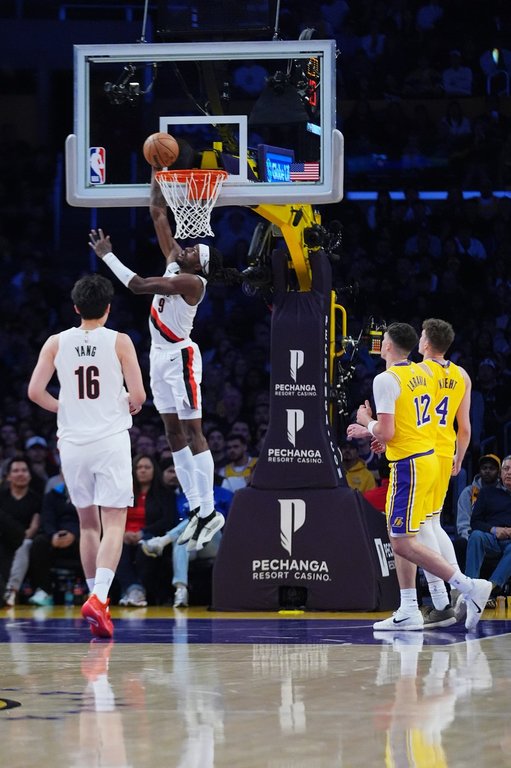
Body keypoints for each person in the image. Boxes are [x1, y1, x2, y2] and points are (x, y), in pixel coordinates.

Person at [88, 174, 237, 552]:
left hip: (182, 355)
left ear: (199, 267)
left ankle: (209, 511)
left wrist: (107, 256)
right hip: (158, 356)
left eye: (191, 252)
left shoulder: (193, 285)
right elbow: (158, 215)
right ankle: (197, 510)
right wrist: (159, 175)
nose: (184, 248)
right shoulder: (176, 263)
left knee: (193, 432)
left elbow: (137, 286)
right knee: (171, 434)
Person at [347, 322, 492, 633]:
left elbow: (391, 427)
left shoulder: (395, 377)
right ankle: (413, 606)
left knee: (409, 536)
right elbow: (441, 424)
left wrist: (368, 423)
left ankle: (457, 590)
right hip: (431, 452)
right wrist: (386, 437)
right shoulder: (429, 373)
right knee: (413, 529)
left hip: (415, 459)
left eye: (382, 340)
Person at [27, 274, 146, 638]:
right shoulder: (120, 341)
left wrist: (66, 407)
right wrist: (128, 401)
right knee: (113, 522)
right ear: (108, 309)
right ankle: (99, 596)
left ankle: (99, 603)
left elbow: (35, 391)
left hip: (73, 443)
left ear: (76, 308)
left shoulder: (55, 342)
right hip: (109, 439)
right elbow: (139, 397)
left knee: (87, 524)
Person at [415, 318, 472, 628]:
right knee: (434, 521)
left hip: (421, 451)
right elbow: (464, 427)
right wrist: (459, 459)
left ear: (426, 343)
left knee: (421, 525)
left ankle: (448, 591)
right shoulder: (461, 375)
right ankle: (457, 587)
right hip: (445, 451)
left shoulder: (418, 372)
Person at [141, 457, 233, 608]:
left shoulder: (224, 494)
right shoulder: (180, 497)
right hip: (191, 545)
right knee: (182, 540)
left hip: (215, 544)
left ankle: (162, 541)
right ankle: (181, 590)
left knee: (208, 515)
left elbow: (233, 524)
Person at [116, 453, 175, 607]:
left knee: (144, 549)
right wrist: (122, 533)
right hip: (123, 536)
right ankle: (134, 590)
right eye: (139, 467)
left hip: (150, 536)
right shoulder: (123, 493)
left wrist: (143, 532)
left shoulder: (165, 494)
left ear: (154, 470)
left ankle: (132, 591)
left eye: (147, 467)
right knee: (116, 549)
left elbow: (169, 520)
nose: (142, 470)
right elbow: (113, 518)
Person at [27, 481, 83, 607]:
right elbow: (47, 519)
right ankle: (44, 591)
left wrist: (74, 535)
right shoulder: (52, 495)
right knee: (39, 542)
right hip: (56, 537)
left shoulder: (91, 494)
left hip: (81, 536)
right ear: (61, 473)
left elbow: (93, 521)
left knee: (94, 540)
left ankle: (92, 590)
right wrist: (53, 535)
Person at [464, 455, 511, 598]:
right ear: (501, 473)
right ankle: (469, 588)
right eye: (506, 469)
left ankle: (492, 587)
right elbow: (475, 522)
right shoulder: (486, 493)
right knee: (476, 536)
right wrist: (494, 530)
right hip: (491, 538)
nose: (509, 472)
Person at [1, 457, 41, 607]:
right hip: (3, 540)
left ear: (30, 475)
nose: (20, 474)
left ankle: (11, 590)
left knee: (23, 545)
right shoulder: (2, 496)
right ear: (9, 476)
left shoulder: (36, 499)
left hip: (24, 540)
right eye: (16, 471)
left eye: (24, 470)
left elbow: (34, 527)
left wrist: (19, 537)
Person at [455, 453, 501, 569]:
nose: (487, 471)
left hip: (496, 538)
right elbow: (463, 523)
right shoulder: (469, 493)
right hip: (472, 538)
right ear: (479, 470)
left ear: (499, 472)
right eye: (484, 468)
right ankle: (462, 583)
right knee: (460, 544)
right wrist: (473, 541)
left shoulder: (504, 492)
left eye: (492, 468)